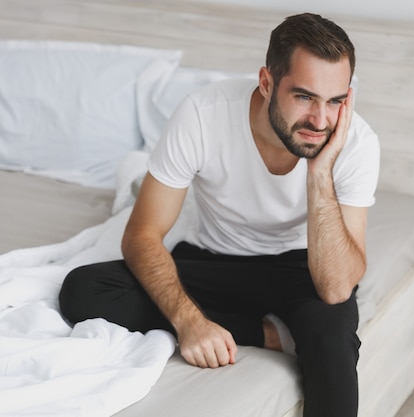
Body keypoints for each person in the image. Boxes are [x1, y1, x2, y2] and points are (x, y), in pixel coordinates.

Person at [59, 12, 380, 417]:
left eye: (335, 101)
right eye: (304, 97)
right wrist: (189, 321)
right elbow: (141, 235)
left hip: (304, 271)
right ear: (267, 83)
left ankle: (286, 329)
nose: (320, 120)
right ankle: (268, 334)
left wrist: (319, 171)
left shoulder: (357, 143)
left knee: (333, 338)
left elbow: (335, 288)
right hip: (214, 261)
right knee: (83, 288)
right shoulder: (203, 114)